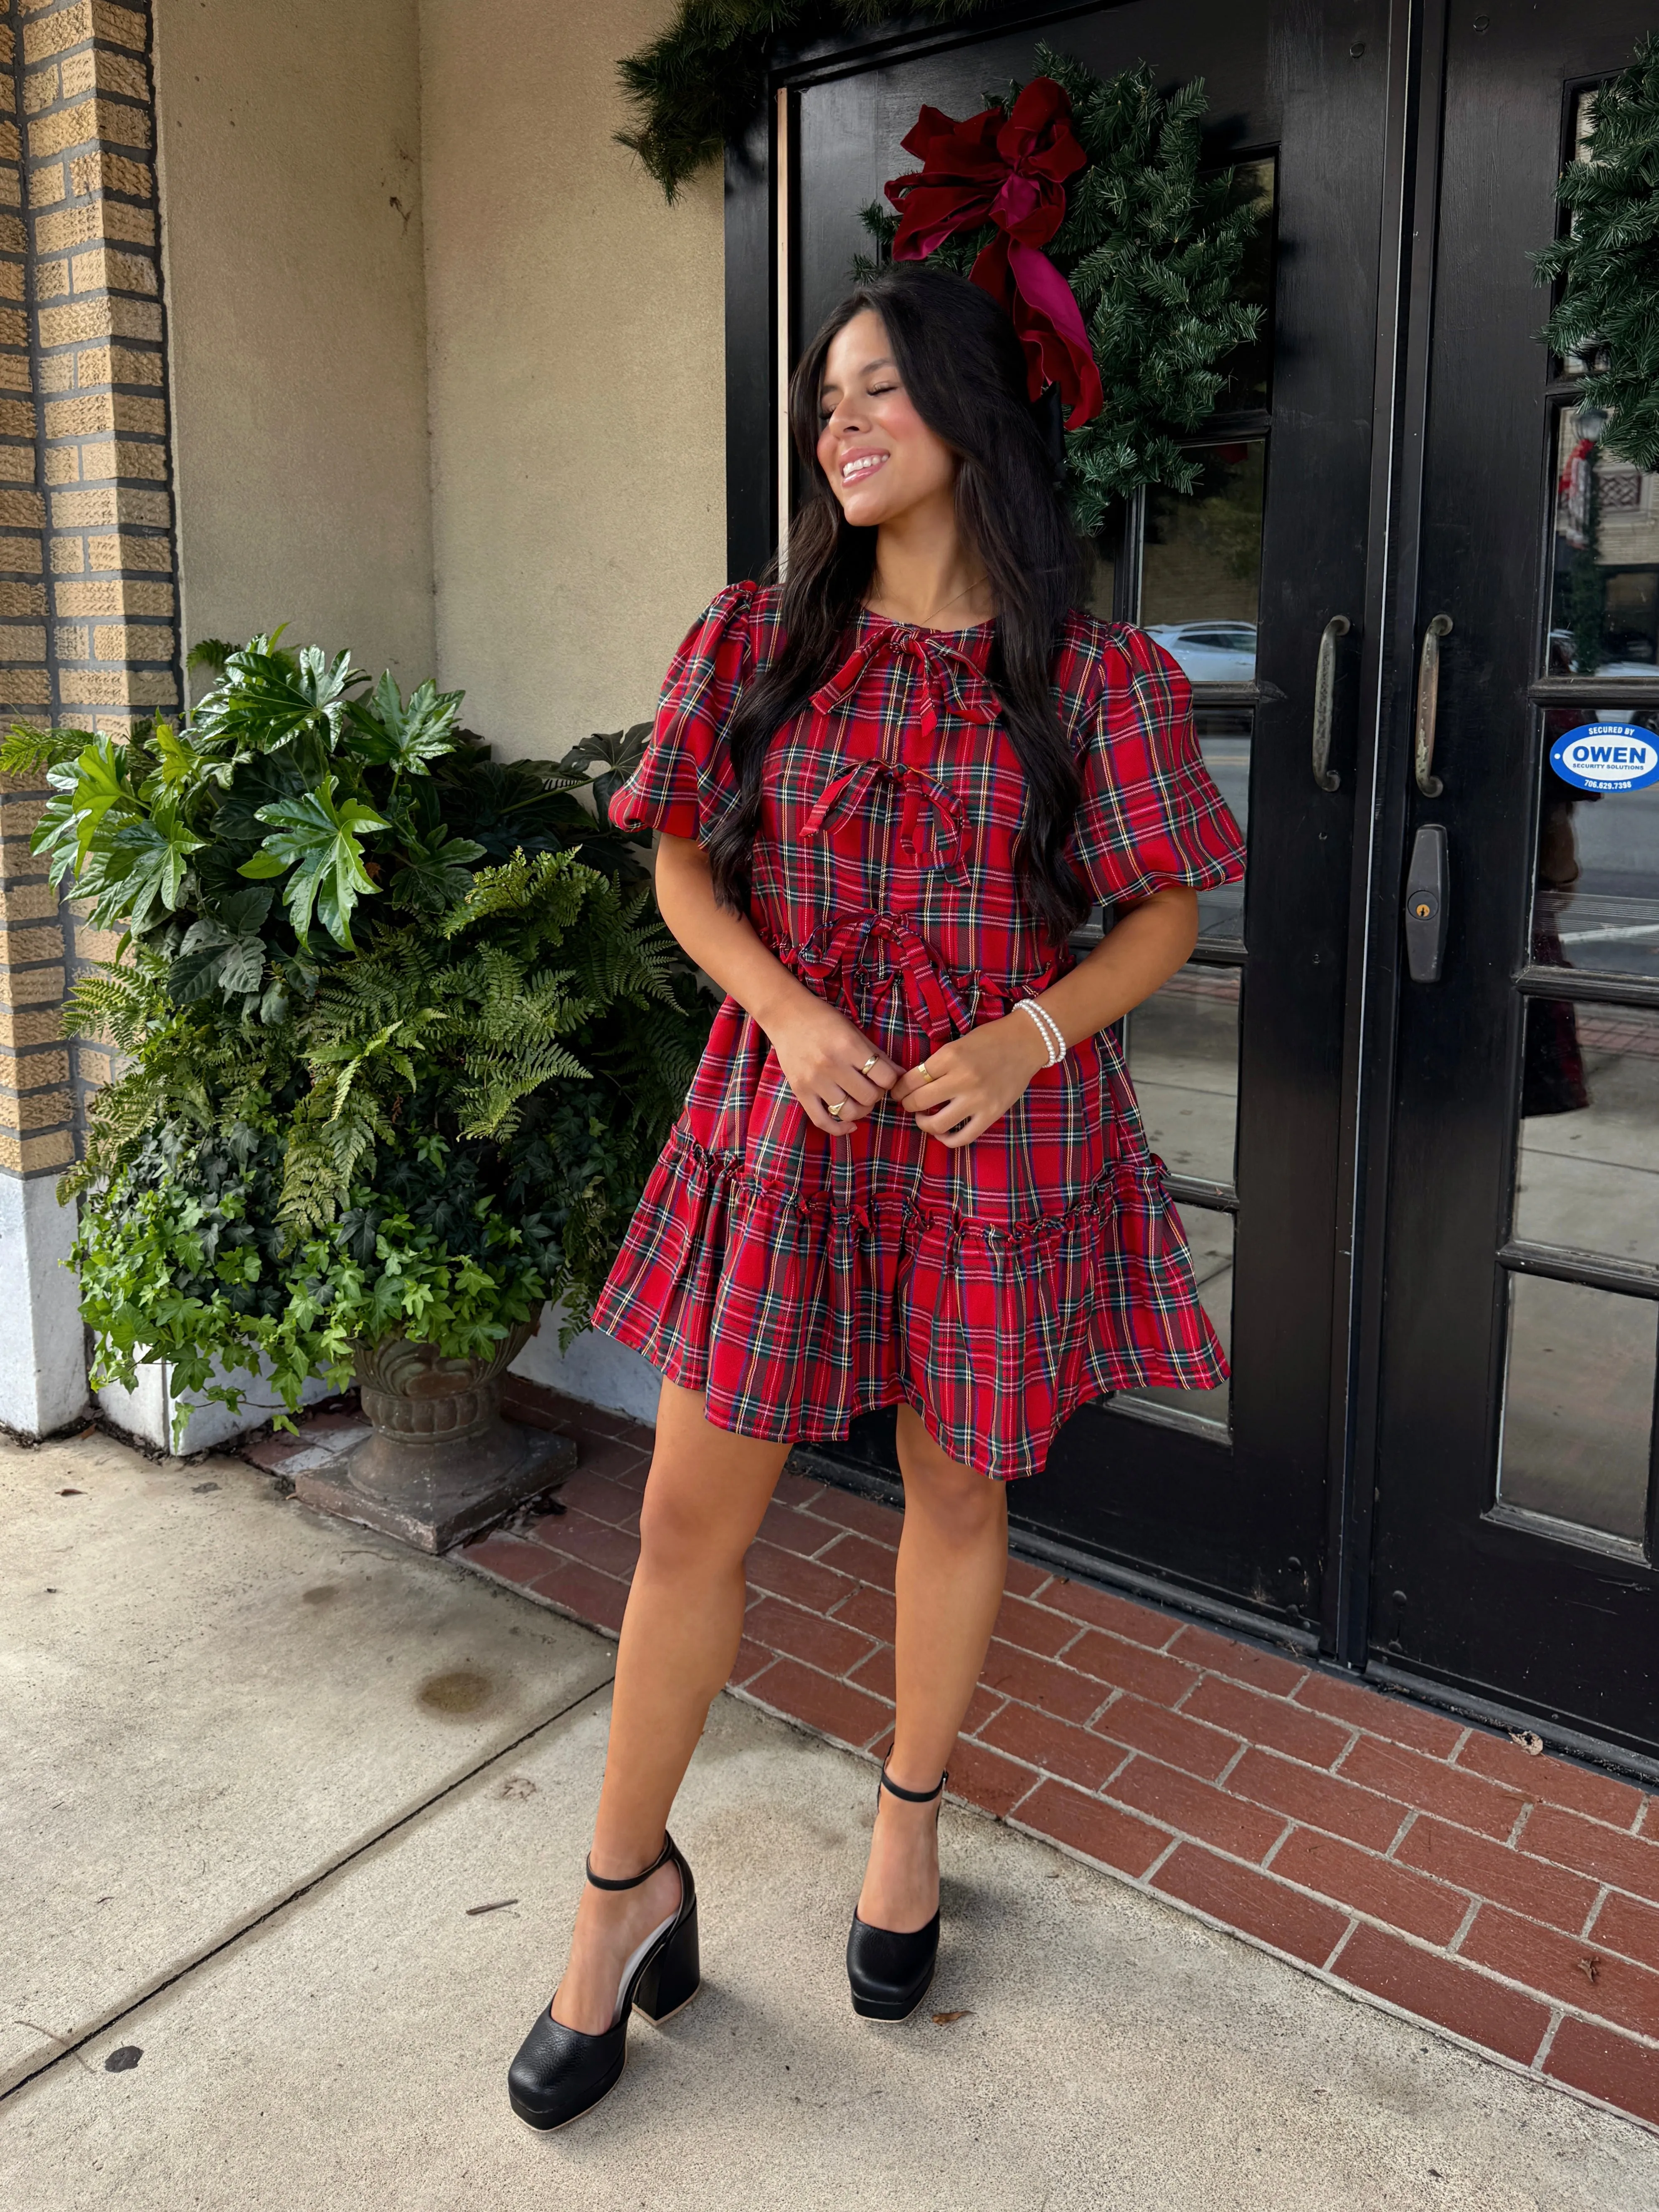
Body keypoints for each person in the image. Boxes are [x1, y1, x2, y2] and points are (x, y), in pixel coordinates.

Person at [508, 263, 1246, 2131]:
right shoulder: (761, 638)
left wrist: (1027, 1034)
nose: (837, 422)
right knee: (685, 1520)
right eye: (823, 396)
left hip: (989, 1144)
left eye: (877, 390)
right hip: (790, 1129)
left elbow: (1164, 910)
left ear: (973, 414)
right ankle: (616, 1899)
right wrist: (786, 1009)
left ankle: (908, 1824)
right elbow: (681, 866)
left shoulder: (1096, 672)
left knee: (952, 1488)